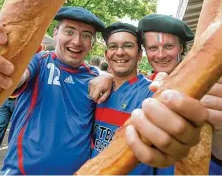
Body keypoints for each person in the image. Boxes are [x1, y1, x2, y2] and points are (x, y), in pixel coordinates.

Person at [0, 6, 115, 175]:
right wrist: (2, 66)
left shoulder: (95, 77)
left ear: (91, 44)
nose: (77, 41)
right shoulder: (39, 62)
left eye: (86, 35)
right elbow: (16, 77)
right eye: (69, 32)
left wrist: (110, 77)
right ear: (56, 33)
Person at [90, 22, 215, 174]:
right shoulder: (95, 89)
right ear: (106, 54)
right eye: (113, 47)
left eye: (128, 46)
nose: (120, 52)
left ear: (139, 54)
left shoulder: (153, 92)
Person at [138, 14, 222, 174]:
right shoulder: (145, 85)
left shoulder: (212, 87)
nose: (161, 55)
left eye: (169, 46)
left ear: (182, 48)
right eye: (153, 48)